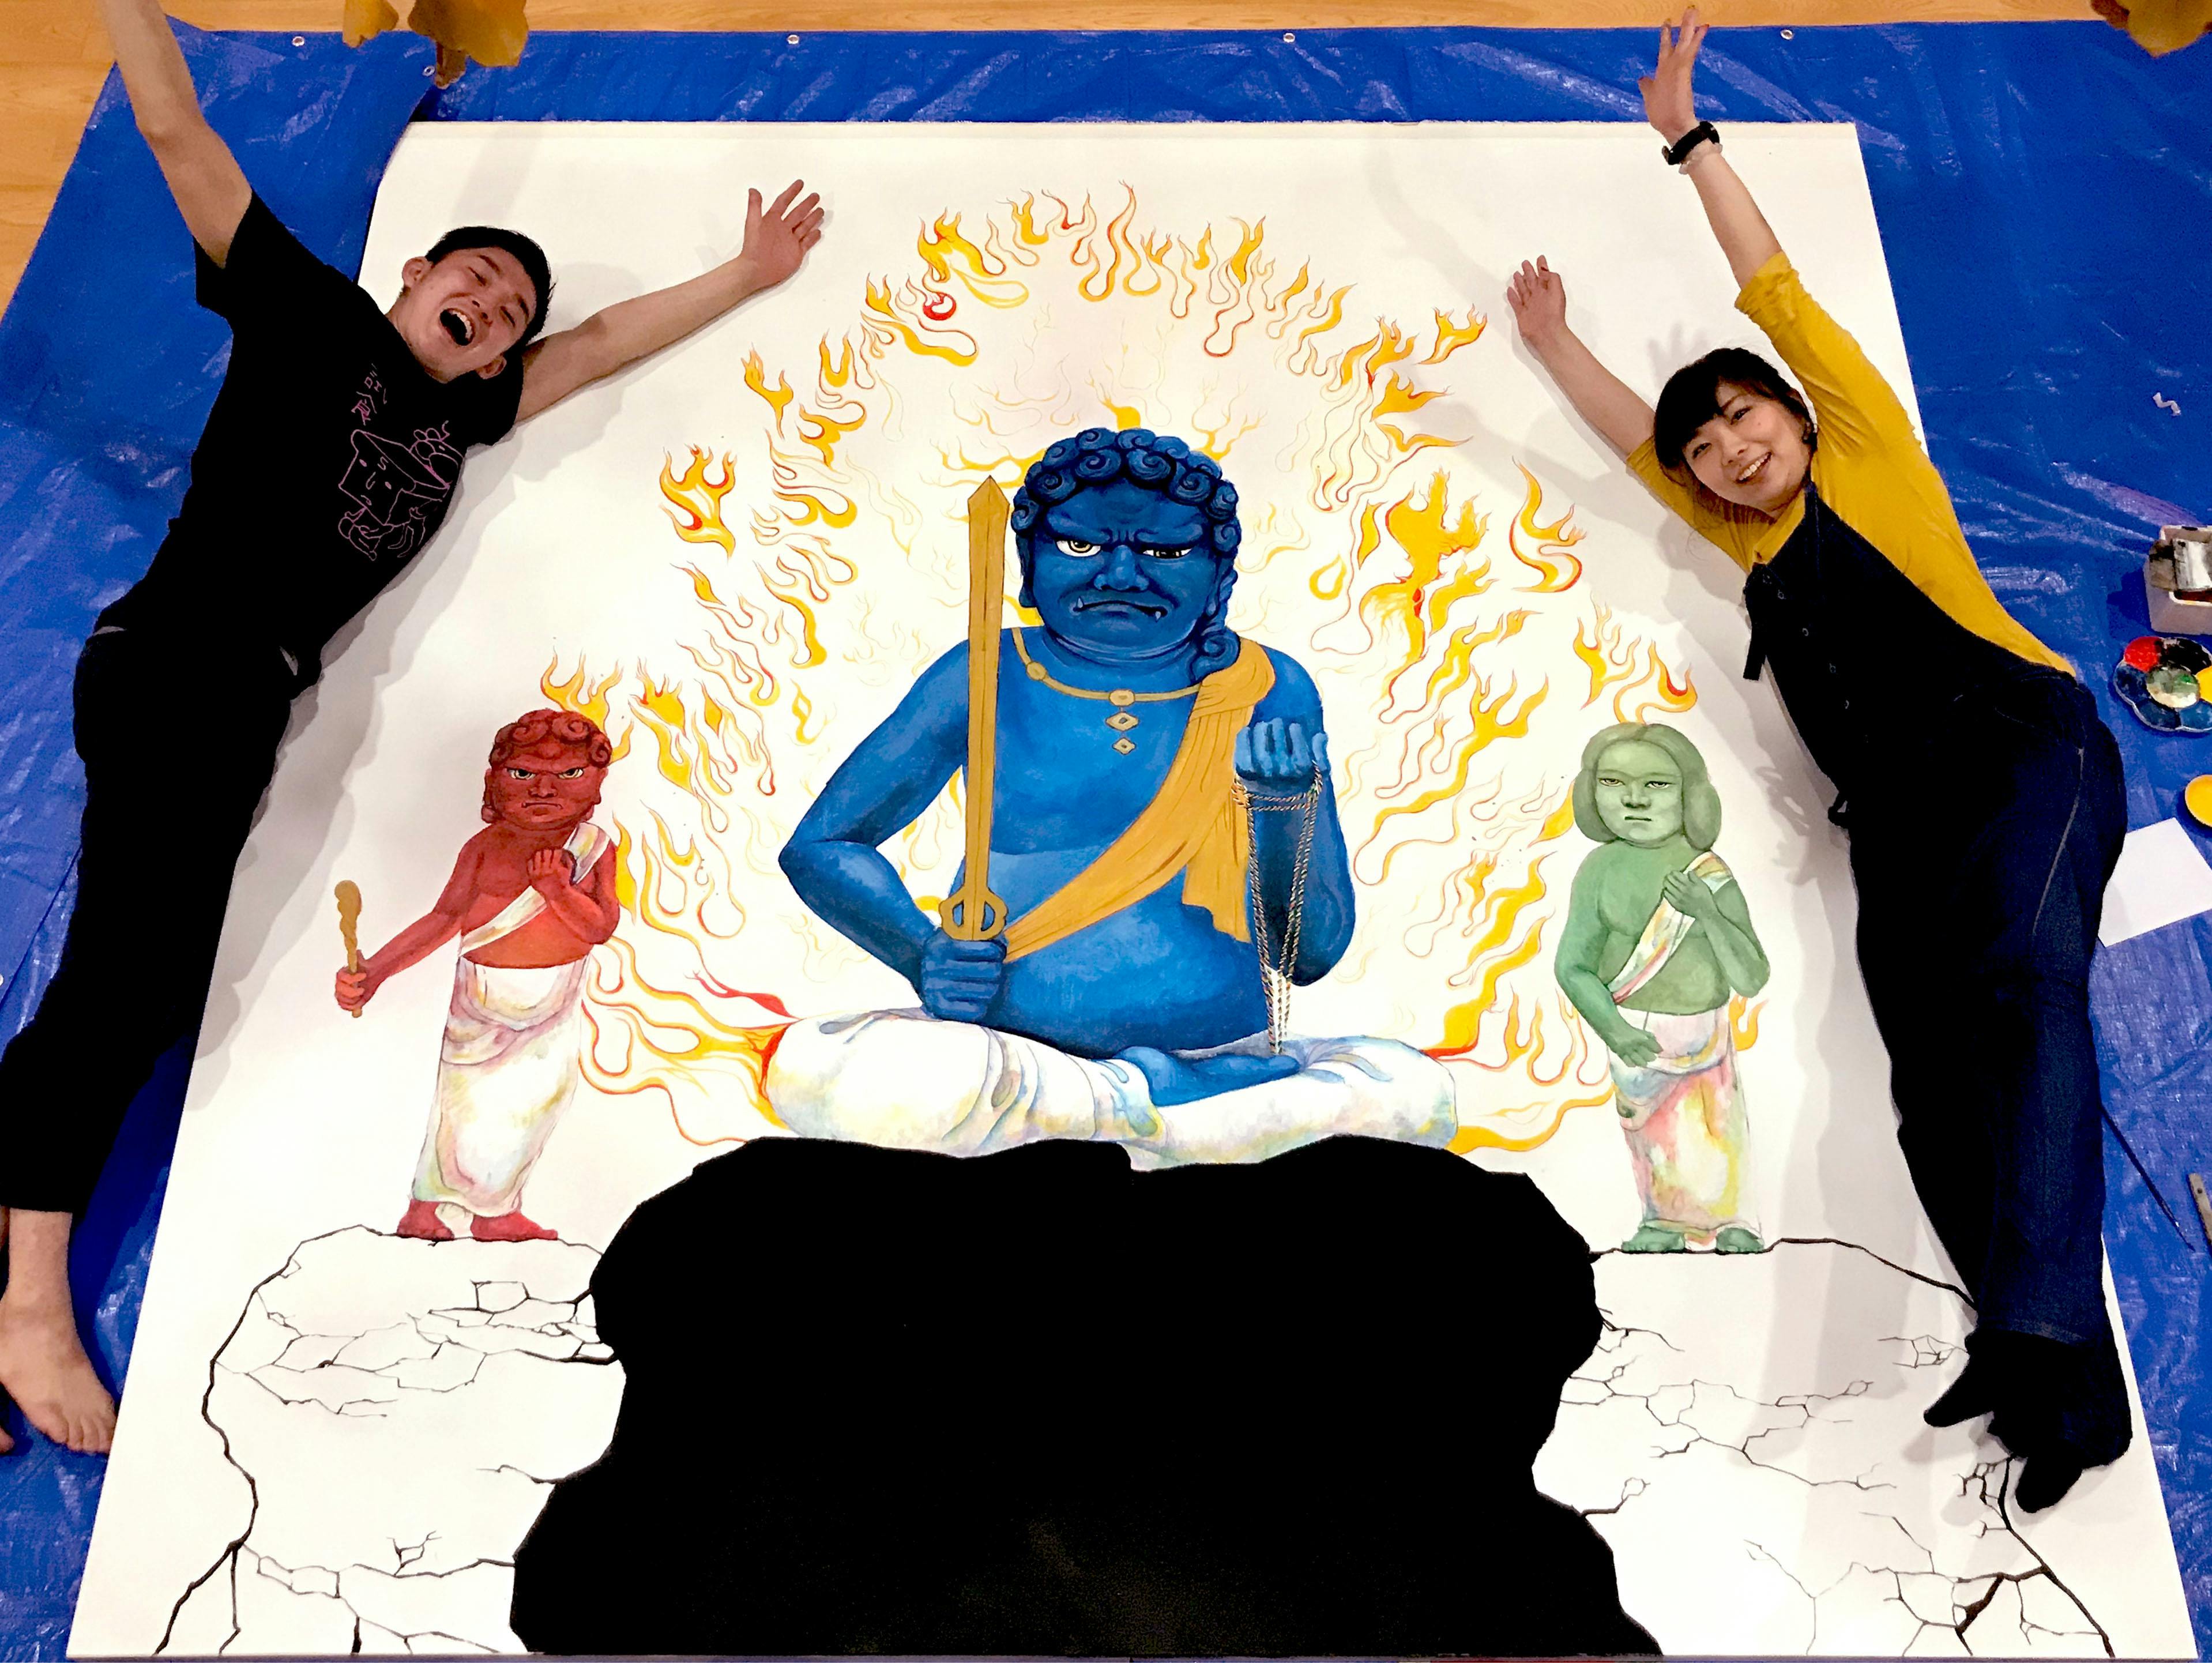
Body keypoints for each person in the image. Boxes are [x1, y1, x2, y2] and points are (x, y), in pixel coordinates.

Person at [0, 0, 824, 1457]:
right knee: (123, 986)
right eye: (475, 277)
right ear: (411, 278)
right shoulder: (307, 315)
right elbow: (180, 133)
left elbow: (606, 340)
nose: (495, 303)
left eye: (510, 311)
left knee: (138, 988)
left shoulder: (468, 419)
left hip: (240, 700)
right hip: (181, 660)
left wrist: (747, 274)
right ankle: (28, 1307)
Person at [1504, 12, 2130, 1510]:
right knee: (1930, 1093)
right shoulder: (1749, 541)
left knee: (2023, 989)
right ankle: (2057, 1388)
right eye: (1705, 448)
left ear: (1792, 412)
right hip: (1900, 824)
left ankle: (2035, 1319)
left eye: (1742, 418)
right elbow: (1630, 440)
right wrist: (1549, 346)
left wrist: (1687, 139)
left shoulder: (1859, 448)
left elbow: (1769, 284)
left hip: (2023, 755)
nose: (1727, 449)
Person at [770, 427, 1457, 1165]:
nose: (1122, 575)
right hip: (1013, 1060)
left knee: (1410, 1093)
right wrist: (920, 953)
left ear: (1219, 577)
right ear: (1027, 567)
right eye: (1079, 546)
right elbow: (821, 845)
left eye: (1165, 552)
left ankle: (1122, 1109)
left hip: (1220, 1055)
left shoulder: (1263, 687)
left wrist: (1281, 809)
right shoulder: (986, 671)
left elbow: (1310, 955)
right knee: (835, 1073)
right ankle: (1149, 1101)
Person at [333, 709, 618, 1243]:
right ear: (494, 781)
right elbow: (444, 918)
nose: (544, 790)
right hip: (481, 1000)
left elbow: (600, 927)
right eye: (524, 774)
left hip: (555, 1002)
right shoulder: (484, 848)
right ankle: (425, 1208)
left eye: (569, 775)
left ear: (597, 783)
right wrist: (376, 971)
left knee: (536, 1102)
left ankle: (496, 1211)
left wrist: (558, 891)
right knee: (459, 1105)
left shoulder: (594, 847)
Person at [1555, 722, 1769, 1255]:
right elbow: (1573, 966)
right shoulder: (1599, 871)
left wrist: (1707, 914)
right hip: (1634, 1036)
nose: (1634, 800)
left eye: (1656, 784)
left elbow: (1752, 975)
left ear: (1690, 795)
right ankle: (1664, 1222)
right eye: (1613, 783)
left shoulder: (1708, 872)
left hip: (1706, 1034)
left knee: (1716, 1130)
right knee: (1653, 1140)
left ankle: (1732, 1222)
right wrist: (1615, 1030)